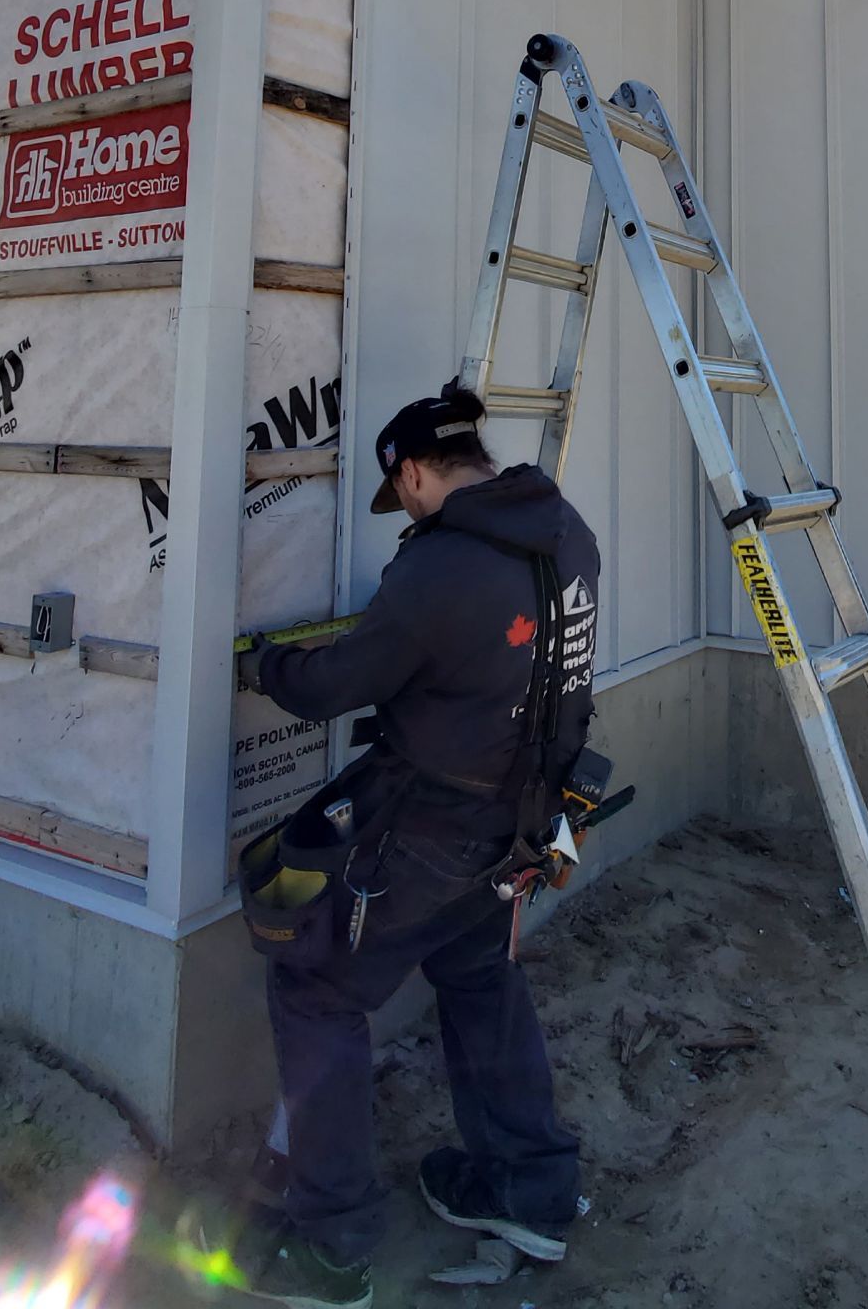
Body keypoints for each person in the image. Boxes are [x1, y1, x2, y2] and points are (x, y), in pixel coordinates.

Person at [215, 384, 601, 1309]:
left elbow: (334, 684)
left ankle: (335, 1247)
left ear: (416, 471)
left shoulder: (439, 570)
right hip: (525, 824)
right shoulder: (566, 530)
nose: (409, 512)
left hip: (431, 832)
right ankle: (530, 1190)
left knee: (315, 991)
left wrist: (264, 663)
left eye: (406, 495)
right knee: (479, 978)